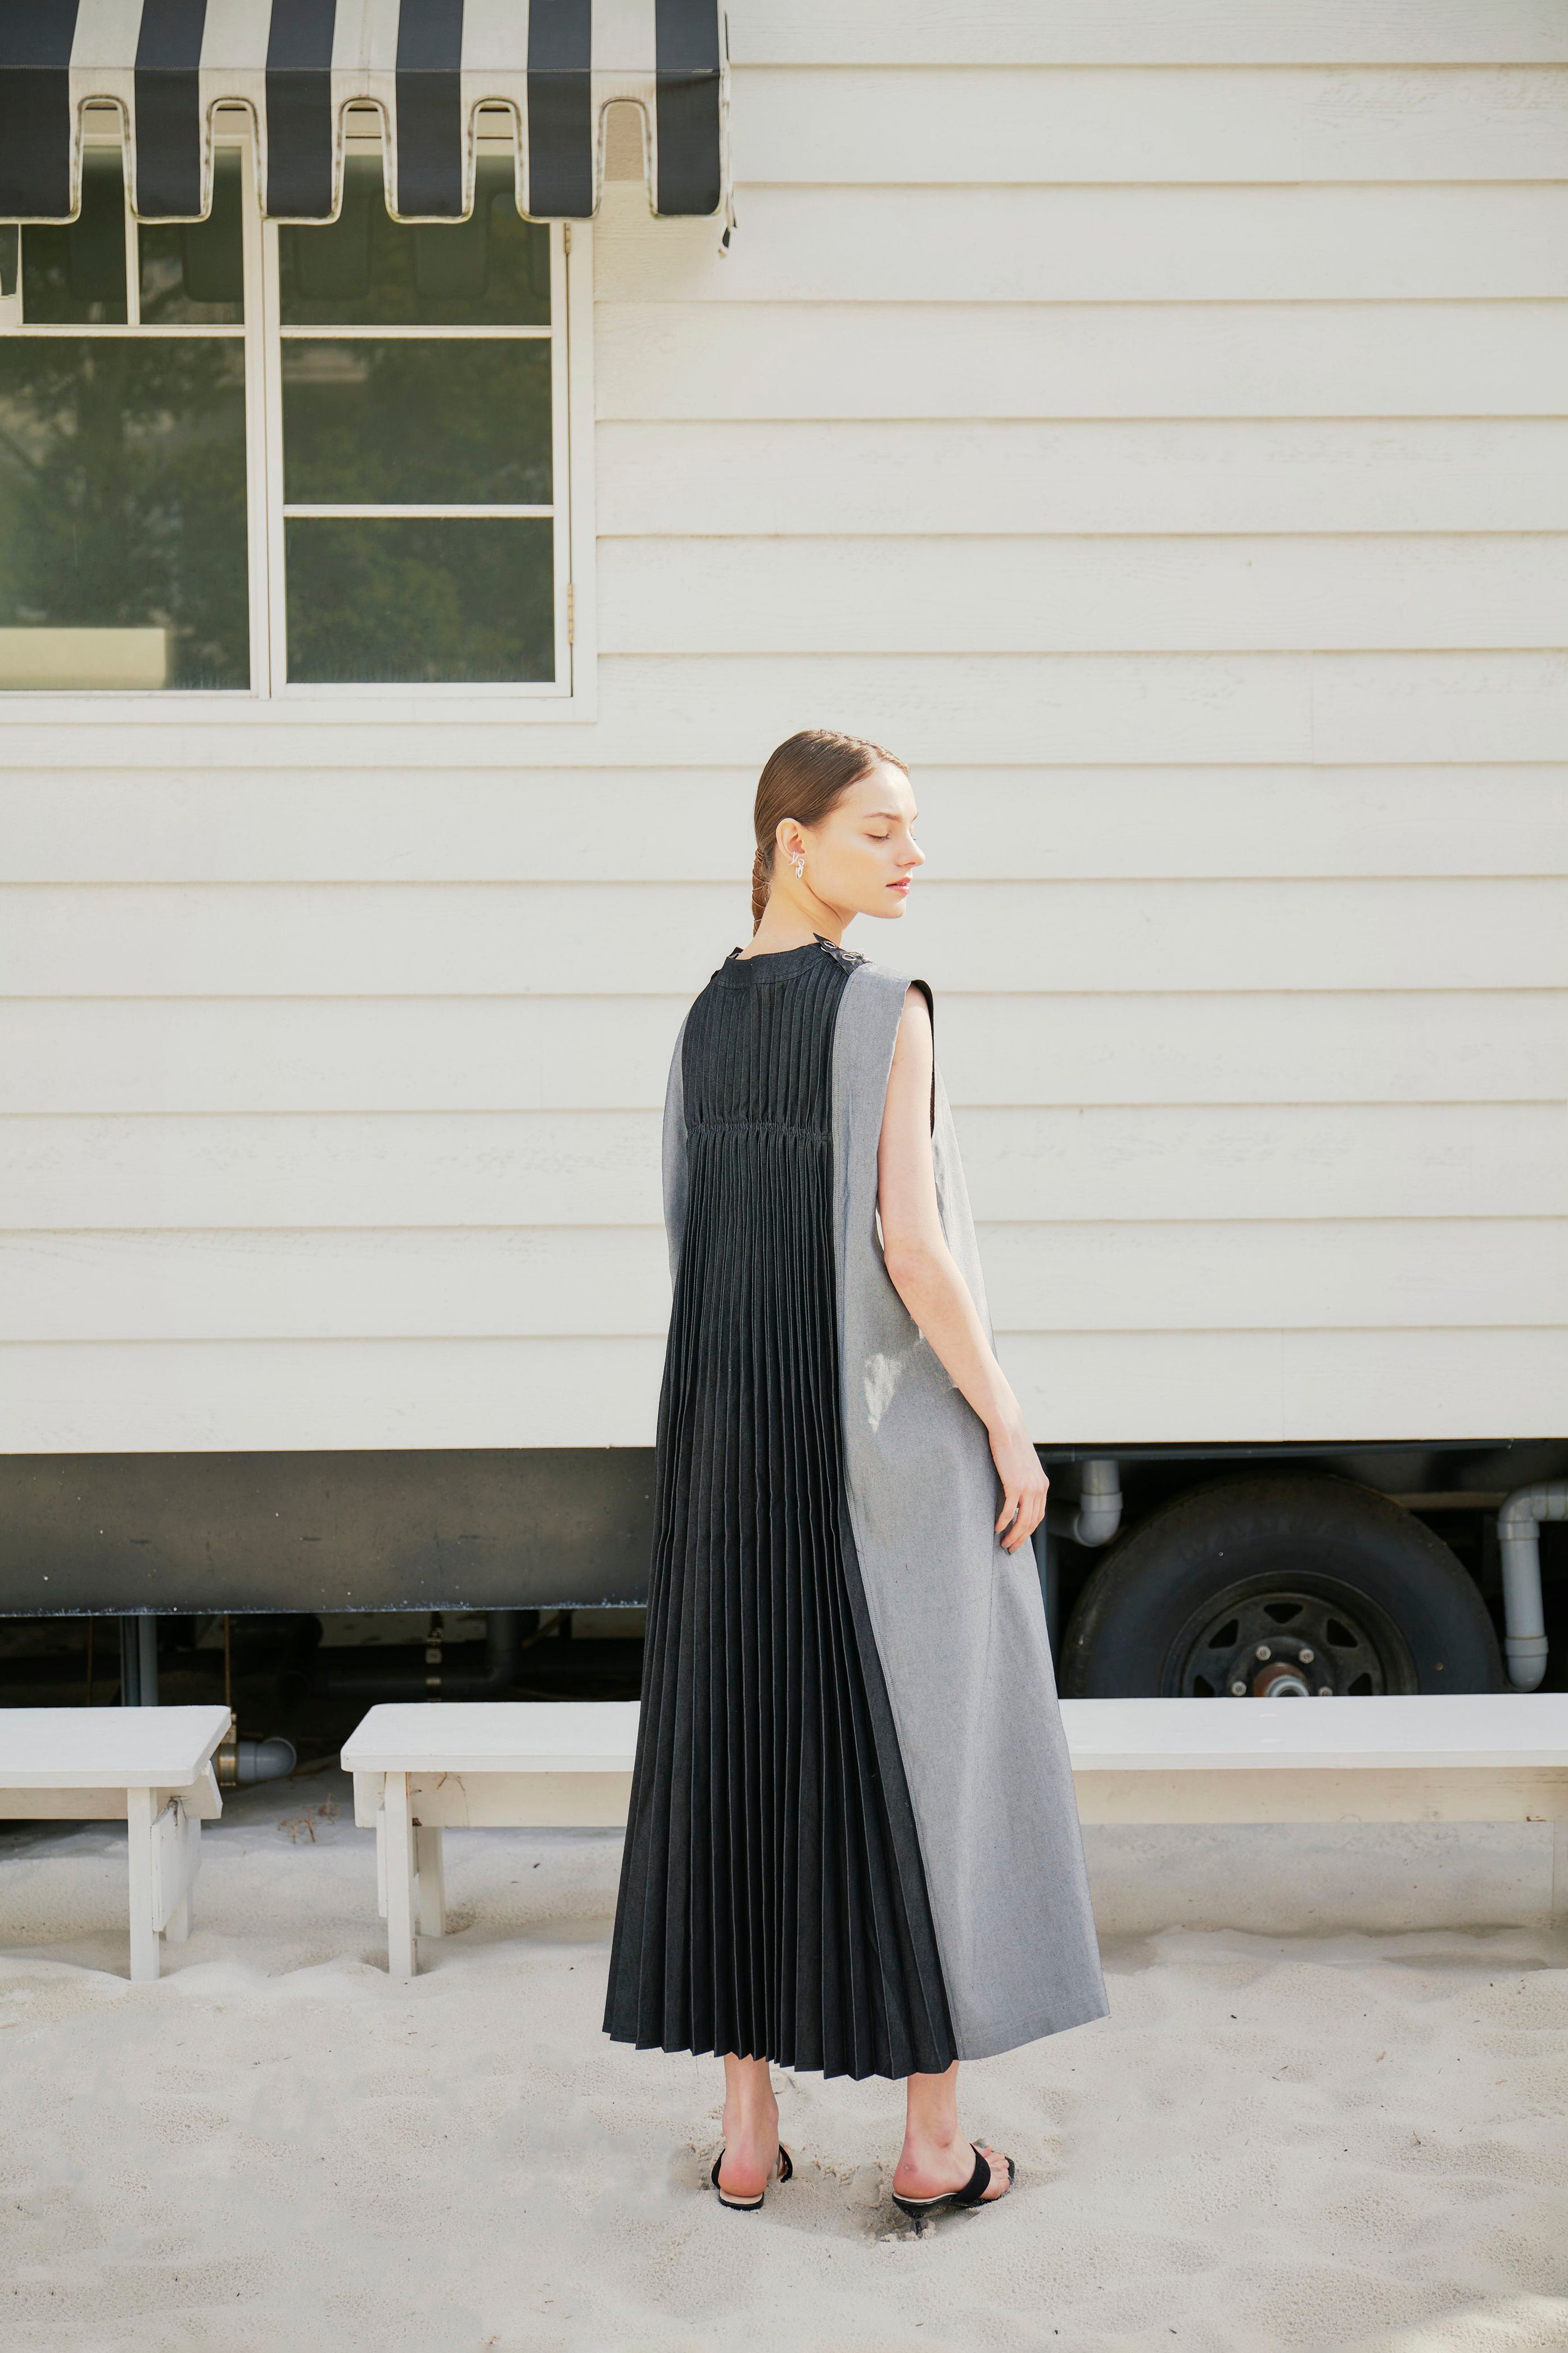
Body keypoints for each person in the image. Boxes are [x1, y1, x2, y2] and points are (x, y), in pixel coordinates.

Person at [604, 729, 1105, 2219]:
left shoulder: (702, 1018)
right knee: (931, 1748)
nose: (911, 855)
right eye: (881, 829)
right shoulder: (886, 1007)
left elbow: (690, 1233)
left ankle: (746, 2136)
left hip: (725, 1448)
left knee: (743, 1754)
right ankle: (932, 2147)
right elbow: (911, 1246)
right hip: (871, 1449)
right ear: (793, 840)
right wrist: (1004, 1417)